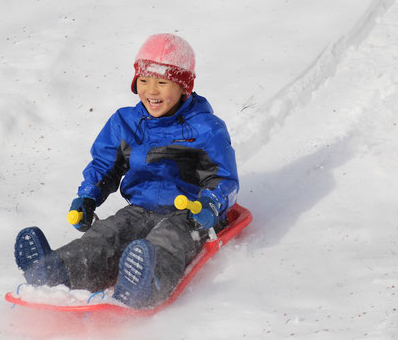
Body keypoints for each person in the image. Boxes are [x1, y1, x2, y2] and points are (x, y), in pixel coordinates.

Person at [14, 33, 239, 309]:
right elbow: (103, 166)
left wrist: (210, 205)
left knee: (166, 241)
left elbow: (224, 179)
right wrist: (87, 198)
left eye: (162, 82)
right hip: (140, 208)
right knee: (108, 234)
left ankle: (147, 285)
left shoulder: (206, 129)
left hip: (188, 214)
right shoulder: (125, 122)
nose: (151, 91)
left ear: (184, 87)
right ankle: (57, 271)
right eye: (144, 81)